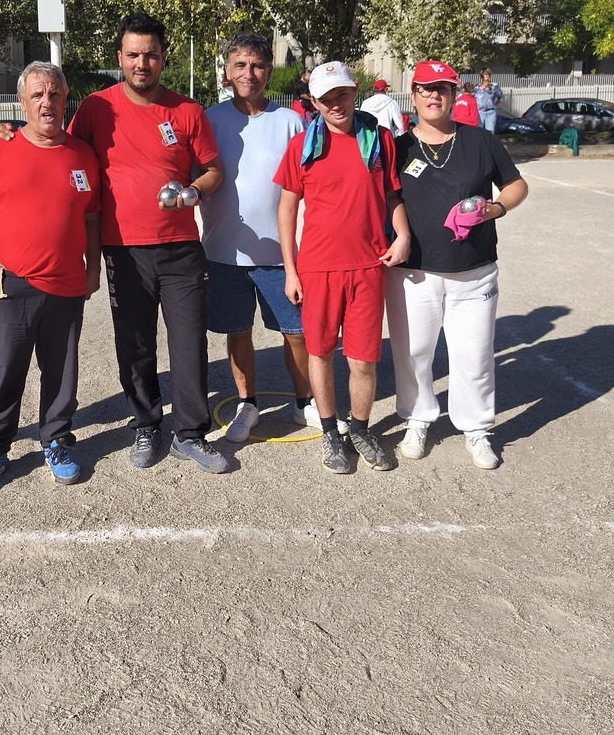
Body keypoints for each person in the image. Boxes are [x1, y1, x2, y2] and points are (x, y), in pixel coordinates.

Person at [67, 12, 225, 472]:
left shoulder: (188, 111)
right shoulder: (97, 107)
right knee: (134, 342)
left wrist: (195, 191)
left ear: (163, 58)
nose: (142, 63)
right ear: (120, 57)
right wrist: (6, 135)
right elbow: (63, 150)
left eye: (151, 55)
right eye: (133, 55)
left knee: (189, 341)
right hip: (123, 250)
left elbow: (213, 170)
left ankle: (190, 433)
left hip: (180, 248)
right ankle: (146, 422)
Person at [0, 62, 101, 493]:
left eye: (54, 94)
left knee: (61, 373)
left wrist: (93, 268)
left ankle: (55, 439)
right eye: (37, 95)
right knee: (2, 374)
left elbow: (91, 219)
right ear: (21, 102)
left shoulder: (82, 155)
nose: (46, 102)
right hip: (10, 284)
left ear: (65, 98)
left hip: (67, 284)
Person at [385, 60, 528, 469]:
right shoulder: (397, 147)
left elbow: (517, 184)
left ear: (453, 94)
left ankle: (477, 428)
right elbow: (388, 197)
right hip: (414, 271)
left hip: (474, 269)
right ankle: (418, 418)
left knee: (474, 354)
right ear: (412, 95)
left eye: (443, 88)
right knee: (413, 352)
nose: (434, 95)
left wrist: (495, 208)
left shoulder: (481, 141)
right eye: (426, 88)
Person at [275, 61, 410, 475]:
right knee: (319, 353)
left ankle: (361, 429)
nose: (336, 104)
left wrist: (402, 235)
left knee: (364, 360)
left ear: (356, 92)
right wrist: (290, 270)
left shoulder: (379, 139)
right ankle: (331, 432)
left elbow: (392, 196)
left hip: (368, 266)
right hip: (317, 268)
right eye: (326, 98)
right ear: (313, 102)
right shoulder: (303, 146)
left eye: (343, 94)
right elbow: (285, 209)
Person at [202, 32, 327, 443]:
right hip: (224, 252)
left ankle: (303, 402)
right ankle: (247, 403)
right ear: (227, 71)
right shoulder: (209, 119)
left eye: (256, 65)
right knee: (238, 331)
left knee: (296, 332)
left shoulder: (291, 121)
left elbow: (313, 182)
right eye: (240, 65)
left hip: (280, 255)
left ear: (268, 71)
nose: (248, 73)